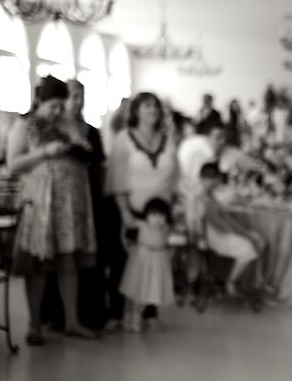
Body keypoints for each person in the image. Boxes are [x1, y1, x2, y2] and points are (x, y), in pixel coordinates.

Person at [6, 76, 98, 345]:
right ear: (39, 101)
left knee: (69, 263)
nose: (58, 111)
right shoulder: (24, 125)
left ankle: (72, 321)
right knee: (38, 265)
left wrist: (75, 139)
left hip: (69, 204)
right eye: (53, 106)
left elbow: (84, 153)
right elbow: (12, 165)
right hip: (40, 203)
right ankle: (34, 324)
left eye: (61, 105)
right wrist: (45, 152)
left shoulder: (67, 123)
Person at [104, 92, 179, 331]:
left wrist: (175, 208)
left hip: (159, 215)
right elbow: (116, 176)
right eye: (147, 106)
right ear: (136, 111)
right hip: (131, 210)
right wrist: (124, 211)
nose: (153, 110)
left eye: (156, 106)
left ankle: (149, 311)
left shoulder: (167, 139)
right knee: (125, 263)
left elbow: (175, 174)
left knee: (156, 262)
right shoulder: (124, 139)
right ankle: (118, 312)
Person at [188, 163, 265, 300]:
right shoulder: (203, 198)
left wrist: (246, 233)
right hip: (212, 237)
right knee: (249, 246)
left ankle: (255, 280)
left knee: (259, 240)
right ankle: (231, 282)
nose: (214, 181)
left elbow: (226, 220)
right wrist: (247, 235)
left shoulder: (209, 194)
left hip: (218, 232)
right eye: (210, 178)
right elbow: (222, 225)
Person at [118, 198, 175, 332]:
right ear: (146, 215)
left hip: (157, 261)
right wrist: (126, 244)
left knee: (148, 291)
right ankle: (129, 318)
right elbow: (126, 224)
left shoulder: (167, 228)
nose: (157, 219)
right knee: (135, 290)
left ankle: (137, 316)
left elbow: (173, 241)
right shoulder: (142, 224)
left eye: (161, 215)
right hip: (141, 260)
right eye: (153, 215)